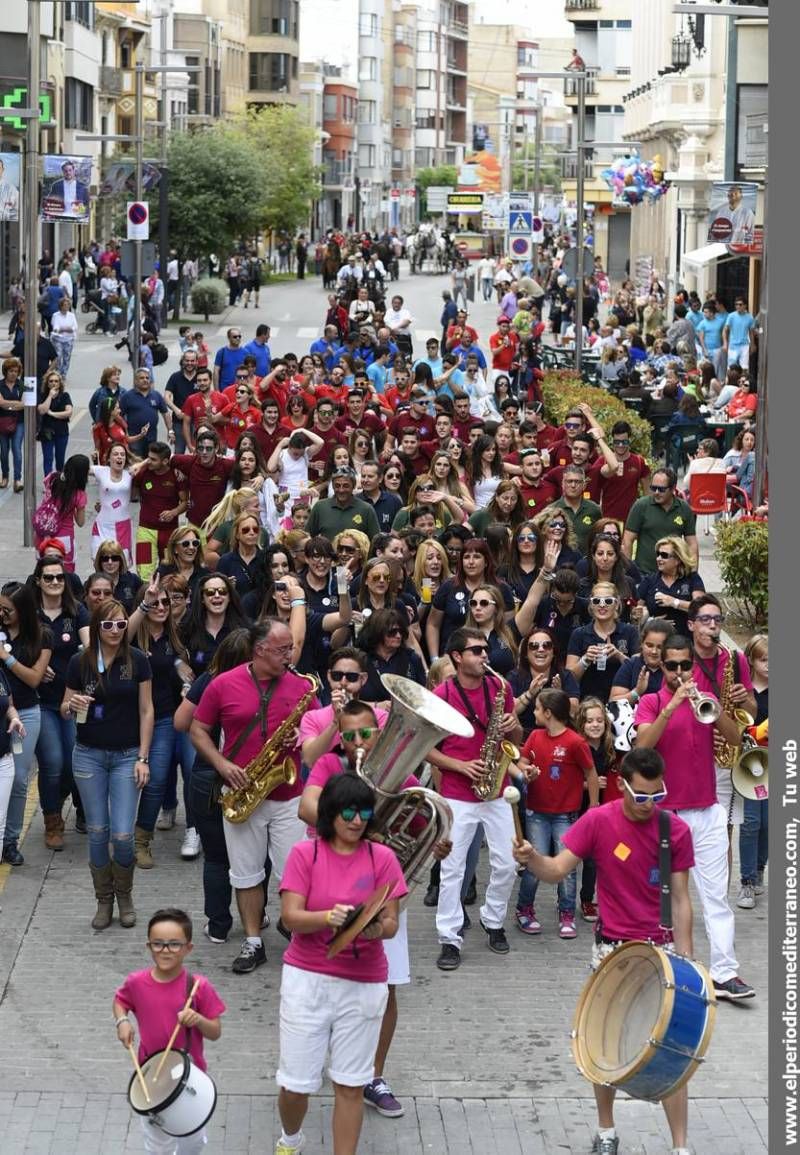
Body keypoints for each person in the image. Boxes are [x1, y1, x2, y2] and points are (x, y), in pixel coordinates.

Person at [513, 747, 695, 1155]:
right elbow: (556, 871)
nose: (649, 805)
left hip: (661, 950)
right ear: (623, 786)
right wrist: (532, 859)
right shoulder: (598, 820)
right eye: (641, 796)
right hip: (611, 948)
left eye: (657, 796)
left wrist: (688, 962)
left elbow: (682, 900)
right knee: (602, 1041)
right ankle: (607, 1131)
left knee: (675, 1049)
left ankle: (681, 1147)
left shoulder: (675, 831)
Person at [275, 773, 406, 1155]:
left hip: (364, 983)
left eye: (364, 812)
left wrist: (374, 929)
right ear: (330, 813)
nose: (357, 819)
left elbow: (392, 921)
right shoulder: (305, 854)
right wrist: (326, 918)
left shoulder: (382, 857)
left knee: (350, 1084)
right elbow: (290, 917)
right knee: (296, 1084)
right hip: (308, 979)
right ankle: (290, 1139)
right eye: (348, 811)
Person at [190, 619, 319, 974]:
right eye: (282, 650)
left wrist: (305, 739)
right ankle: (253, 941)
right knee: (245, 873)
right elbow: (197, 730)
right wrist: (221, 764)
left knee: (294, 873)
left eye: (290, 648)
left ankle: (295, 931)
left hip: (288, 793)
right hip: (242, 790)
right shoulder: (222, 685)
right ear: (259, 650)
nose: (289, 656)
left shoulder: (302, 686)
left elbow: (320, 733)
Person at [634, 632, 755, 1001]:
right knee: (665, 897)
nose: (679, 672)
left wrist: (715, 711)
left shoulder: (705, 701)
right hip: (667, 814)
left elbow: (735, 740)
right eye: (671, 666)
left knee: (715, 897)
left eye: (685, 665)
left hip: (707, 811)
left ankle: (725, 973)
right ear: (661, 666)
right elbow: (642, 747)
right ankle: (668, 969)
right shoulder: (652, 702)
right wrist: (671, 707)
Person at [429, 627, 523, 971]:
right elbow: (425, 748)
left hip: (496, 789)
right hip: (458, 792)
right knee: (452, 869)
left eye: (486, 650)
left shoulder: (500, 687)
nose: (486, 655)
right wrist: (460, 765)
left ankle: (493, 919)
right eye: (477, 651)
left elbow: (516, 737)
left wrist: (513, 725)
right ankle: (449, 938)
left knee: (509, 861)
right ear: (457, 657)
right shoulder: (441, 694)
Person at [62, 600, 153, 929]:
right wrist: (71, 703)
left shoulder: (138, 660)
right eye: (108, 625)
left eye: (121, 625)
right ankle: (104, 900)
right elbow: (63, 708)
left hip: (128, 754)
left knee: (123, 833)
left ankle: (124, 894)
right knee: (98, 831)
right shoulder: (80, 662)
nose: (115, 631)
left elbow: (147, 711)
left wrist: (144, 757)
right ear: (97, 627)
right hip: (89, 753)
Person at [113, 907, 225, 1155]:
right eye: (158, 944)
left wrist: (198, 1020)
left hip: (189, 1076)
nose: (165, 950)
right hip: (150, 1078)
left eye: (174, 944)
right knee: (157, 1146)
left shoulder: (197, 987)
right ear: (148, 946)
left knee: (192, 1142)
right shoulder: (136, 982)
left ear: (188, 948)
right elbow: (120, 1001)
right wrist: (122, 1022)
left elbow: (215, 1031)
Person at [737, 634, 768, 911]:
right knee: (750, 822)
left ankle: (759, 867)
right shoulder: (744, 691)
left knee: (769, 823)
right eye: (763, 660)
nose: (769, 665)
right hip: (748, 762)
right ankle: (746, 880)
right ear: (752, 661)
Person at [622, 468, 698, 575]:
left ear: (673, 488)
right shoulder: (641, 506)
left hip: (674, 574)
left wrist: (693, 574)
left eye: (661, 489)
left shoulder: (684, 508)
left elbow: (692, 543)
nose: (656, 492)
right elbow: (627, 540)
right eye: (654, 488)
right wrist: (628, 572)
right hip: (644, 573)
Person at [37, 368, 73, 475]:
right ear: (47, 383)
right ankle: (48, 485)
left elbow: (68, 412)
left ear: (60, 383)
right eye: (51, 381)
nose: (53, 383)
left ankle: (59, 484)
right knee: (48, 459)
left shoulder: (65, 396)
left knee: (60, 459)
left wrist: (52, 413)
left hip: (62, 432)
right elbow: (42, 410)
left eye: (56, 381)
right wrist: (50, 396)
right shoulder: (43, 395)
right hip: (47, 432)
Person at [722, 297, 755, 372]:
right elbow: (725, 330)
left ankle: (743, 383)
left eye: (740, 304)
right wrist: (725, 343)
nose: (738, 306)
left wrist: (752, 344)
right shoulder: (731, 316)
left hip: (744, 346)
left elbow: (751, 332)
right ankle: (730, 382)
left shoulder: (749, 317)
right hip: (733, 345)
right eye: (736, 304)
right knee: (730, 367)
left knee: (744, 368)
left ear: (745, 305)